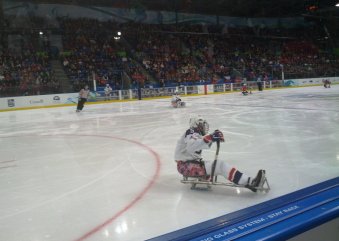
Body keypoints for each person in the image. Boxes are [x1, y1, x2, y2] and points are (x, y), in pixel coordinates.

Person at [174, 115, 265, 192]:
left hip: (187, 165)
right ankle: (250, 182)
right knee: (220, 165)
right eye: (202, 124)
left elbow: (199, 143)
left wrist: (212, 138)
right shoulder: (191, 131)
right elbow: (191, 146)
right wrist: (210, 137)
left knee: (217, 165)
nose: (204, 127)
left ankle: (248, 181)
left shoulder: (195, 134)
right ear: (196, 124)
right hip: (185, 166)